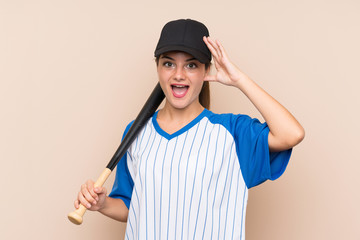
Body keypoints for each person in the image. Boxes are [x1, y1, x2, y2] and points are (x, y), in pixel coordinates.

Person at [74, 19, 305, 239]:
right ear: (158, 68)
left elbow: (291, 134)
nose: (178, 75)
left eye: (191, 65)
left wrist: (239, 79)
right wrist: (102, 204)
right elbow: (132, 206)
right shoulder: (136, 132)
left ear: (206, 71)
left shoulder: (233, 132)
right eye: (169, 63)